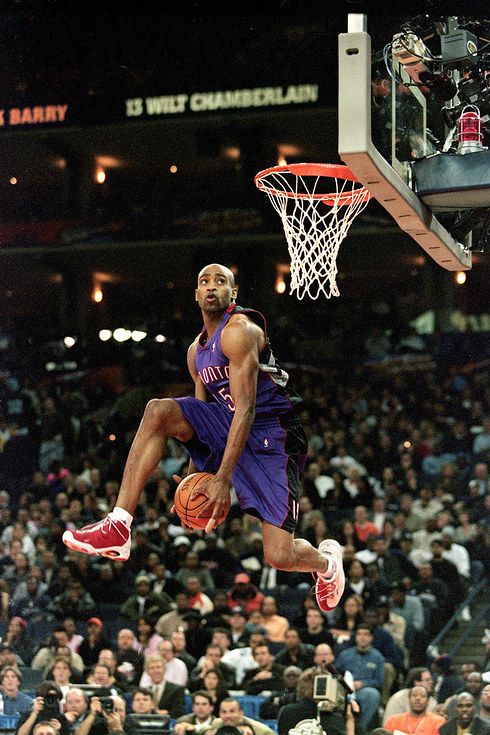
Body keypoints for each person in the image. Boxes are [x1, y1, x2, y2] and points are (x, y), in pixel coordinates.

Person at [62, 263, 345, 613]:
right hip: (228, 424)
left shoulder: (240, 331)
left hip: (272, 437)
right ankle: (119, 525)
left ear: (233, 293)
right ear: (196, 295)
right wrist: (196, 473)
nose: (212, 286)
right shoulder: (196, 351)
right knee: (158, 411)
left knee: (279, 556)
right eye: (204, 282)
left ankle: (328, 564)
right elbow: (200, 416)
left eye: (220, 281)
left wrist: (222, 480)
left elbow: (246, 411)